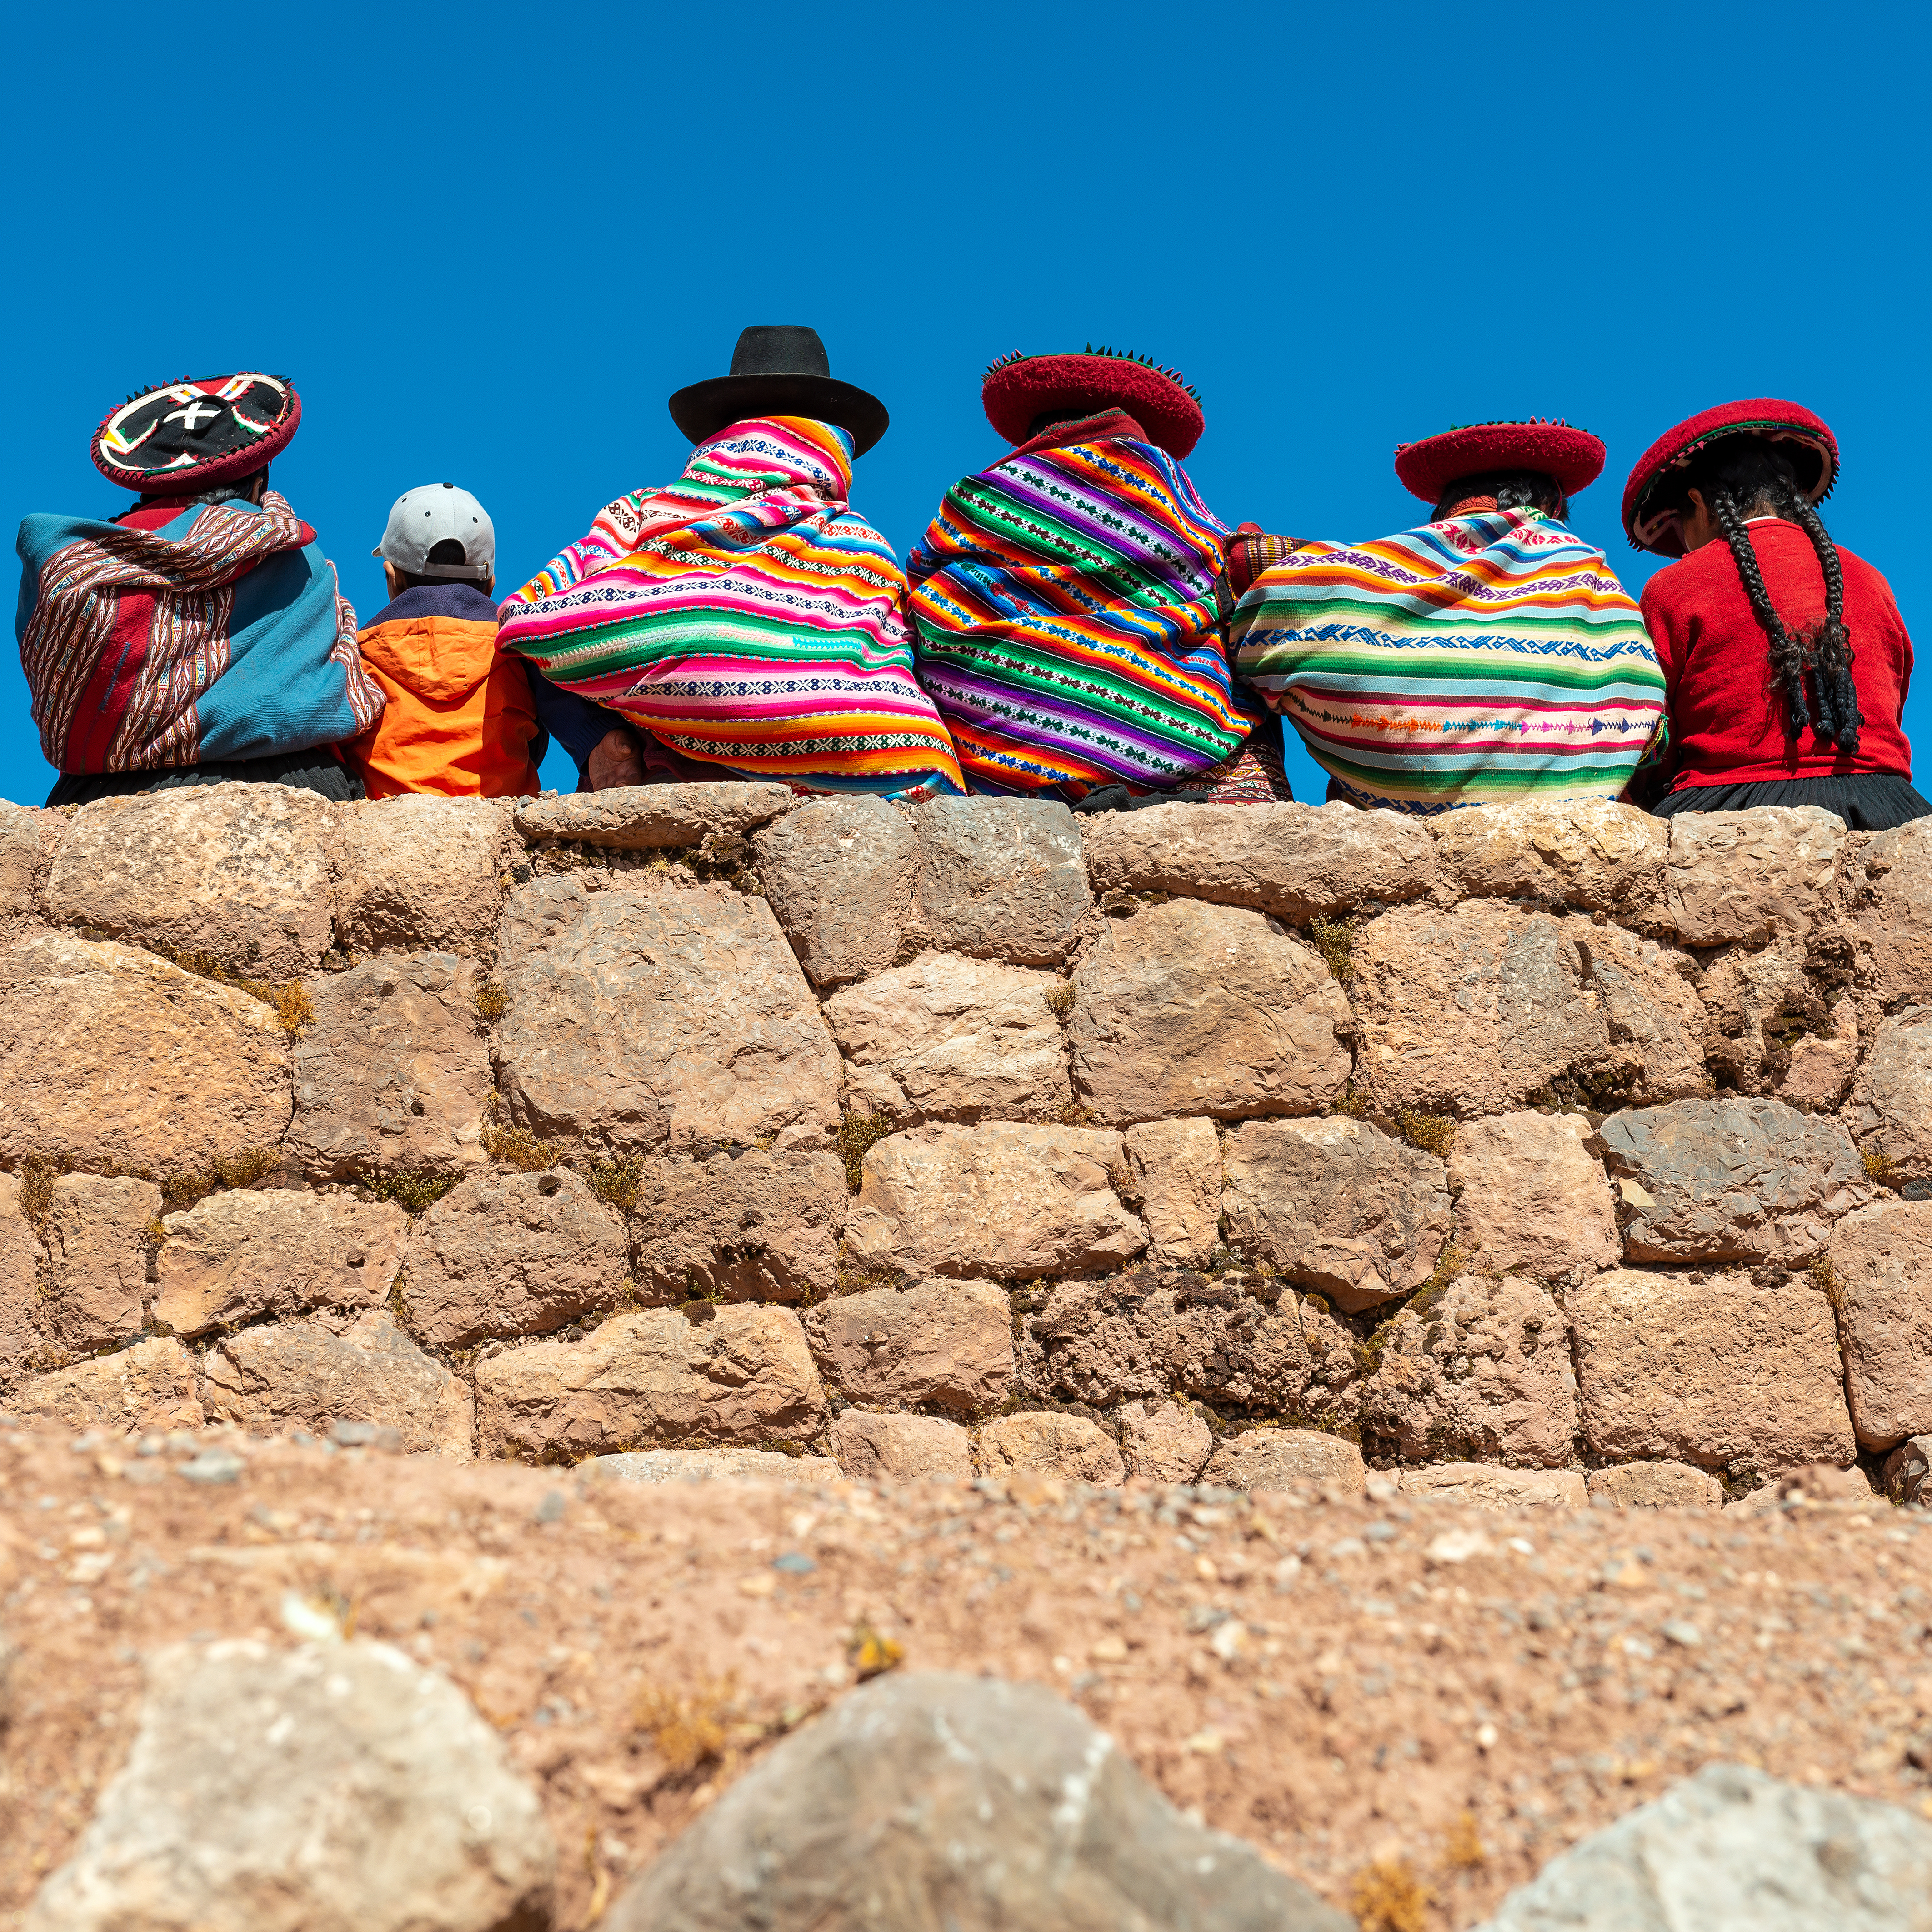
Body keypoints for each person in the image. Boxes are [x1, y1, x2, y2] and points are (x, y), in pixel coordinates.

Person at [496, 327, 962, 800]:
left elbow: (529, 619)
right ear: (831, 443)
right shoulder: (863, 546)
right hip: (868, 776)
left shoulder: (640, 514)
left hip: (666, 773)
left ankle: (616, 744)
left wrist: (591, 735)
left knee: (546, 628)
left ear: (721, 435)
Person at [906, 346, 1283, 809]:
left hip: (1007, 759)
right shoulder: (1171, 500)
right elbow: (1232, 570)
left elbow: (918, 586)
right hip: (1176, 736)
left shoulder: (980, 500)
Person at [1228, 420, 1664, 813]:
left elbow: (1259, 575)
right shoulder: (1591, 578)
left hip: (1393, 809)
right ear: (1553, 509)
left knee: (1232, 657)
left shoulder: (1362, 574)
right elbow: (1650, 729)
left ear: (1444, 513)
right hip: (1575, 812)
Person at [15, 374, 383, 806]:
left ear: (148, 480)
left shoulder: (67, 565)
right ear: (259, 481)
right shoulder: (297, 558)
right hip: (288, 785)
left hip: (101, 793)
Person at [1622, 398, 1923, 829]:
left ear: (1700, 505)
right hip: (1885, 806)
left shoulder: (1673, 587)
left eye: (1682, 526)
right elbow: (1888, 702)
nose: (1686, 547)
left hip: (1729, 804)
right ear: (1795, 500)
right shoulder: (1870, 579)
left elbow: (1653, 733)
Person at [344, 484, 545, 799]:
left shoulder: (355, 657)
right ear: (490, 585)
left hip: (386, 820)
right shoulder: (521, 651)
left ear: (391, 577)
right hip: (500, 815)